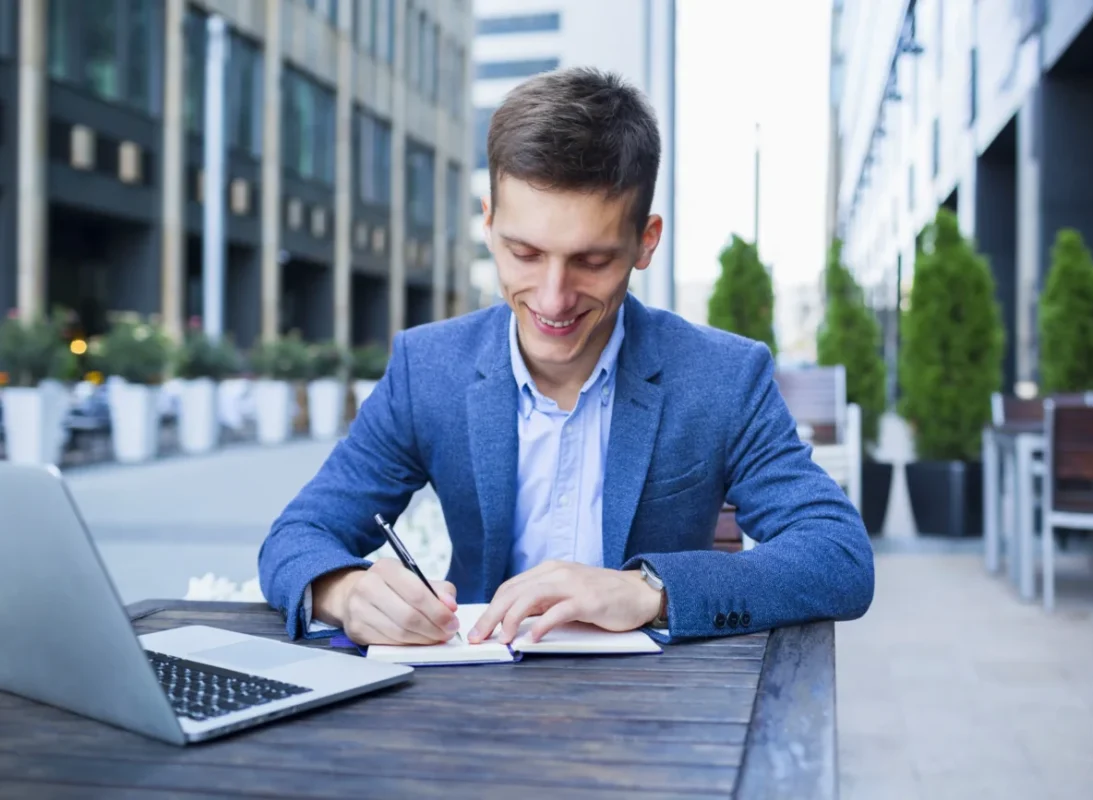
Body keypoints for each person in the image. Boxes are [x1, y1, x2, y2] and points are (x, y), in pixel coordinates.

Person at [258, 67, 873, 647]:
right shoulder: (428, 367)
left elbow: (838, 555)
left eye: (591, 260)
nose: (553, 299)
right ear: (489, 223)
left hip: (663, 703)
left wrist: (648, 591)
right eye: (524, 253)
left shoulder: (723, 377)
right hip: (475, 692)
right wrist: (344, 591)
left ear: (645, 242)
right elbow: (297, 535)